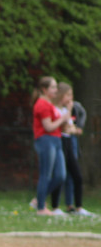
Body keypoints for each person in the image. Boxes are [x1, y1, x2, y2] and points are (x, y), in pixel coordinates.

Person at [50, 83, 90, 216]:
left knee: (77, 175)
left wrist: (71, 126)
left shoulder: (65, 110)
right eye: (68, 95)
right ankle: (53, 206)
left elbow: (71, 128)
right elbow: (65, 127)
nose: (71, 98)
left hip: (68, 142)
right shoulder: (56, 109)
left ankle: (78, 207)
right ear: (62, 95)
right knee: (60, 175)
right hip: (59, 141)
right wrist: (69, 111)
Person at [31, 76, 69, 217]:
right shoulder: (42, 105)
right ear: (44, 90)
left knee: (60, 175)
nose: (56, 90)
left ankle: (38, 199)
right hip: (46, 140)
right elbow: (48, 126)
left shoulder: (50, 104)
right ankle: (41, 208)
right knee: (46, 174)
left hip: (56, 140)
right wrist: (62, 119)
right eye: (53, 87)